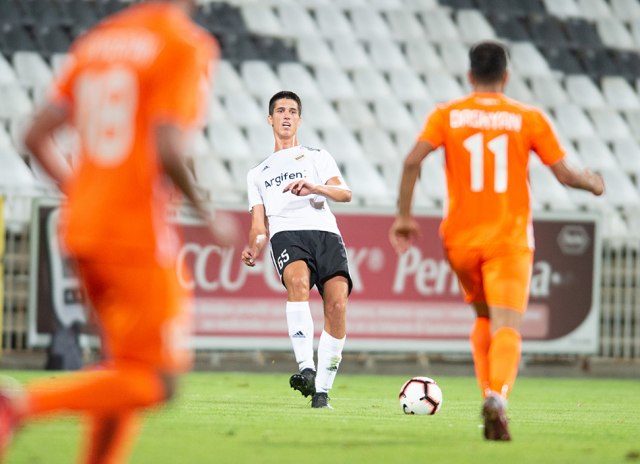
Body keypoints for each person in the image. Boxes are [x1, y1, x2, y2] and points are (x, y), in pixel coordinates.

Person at [0, 1, 235, 462]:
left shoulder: (97, 42)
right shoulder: (183, 44)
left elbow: (33, 136)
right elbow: (168, 146)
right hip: (135, 234)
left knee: (123, 368)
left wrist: (82, 193)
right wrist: (207, 212)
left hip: (83, 227)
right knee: (159, 380)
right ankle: (19, 406)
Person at [389, 41, 604, 441]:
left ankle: (489, 395)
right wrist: (591, 182)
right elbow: (564, 174)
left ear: (470, 76)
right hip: (508, 239)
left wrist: (403, 216)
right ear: (506, 77)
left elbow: (411, 161)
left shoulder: (447, 115)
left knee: (484, 319)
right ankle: (496, 397)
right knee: (507, 325)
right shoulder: (527, 118)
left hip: (460, 240)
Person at [241, 91, 353, 409]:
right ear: (270, 119)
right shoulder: (257, 174)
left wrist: (315, 187)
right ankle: (306, 367)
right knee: (299, 282)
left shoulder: (317, 156)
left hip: (326, 233)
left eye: (292, 111)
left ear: (300, 120)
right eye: (280, 110)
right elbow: (259, 225)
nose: (286, 115)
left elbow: (345, 194)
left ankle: (321, 392)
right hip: (287, 233)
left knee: (337, 306)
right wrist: (254, 246)